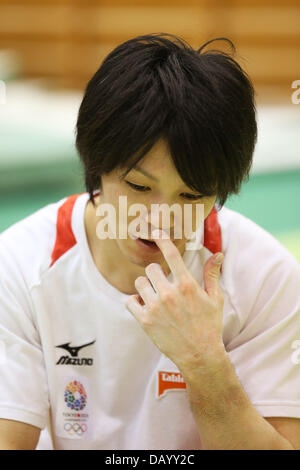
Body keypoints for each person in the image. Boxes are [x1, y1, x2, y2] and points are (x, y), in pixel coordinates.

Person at [0, 33, 299, 450]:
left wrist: (204, 362)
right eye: (139, 186)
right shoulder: (18, 266)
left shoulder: (267, 276)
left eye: (192, 195)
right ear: (97, 166)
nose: (160, 220)